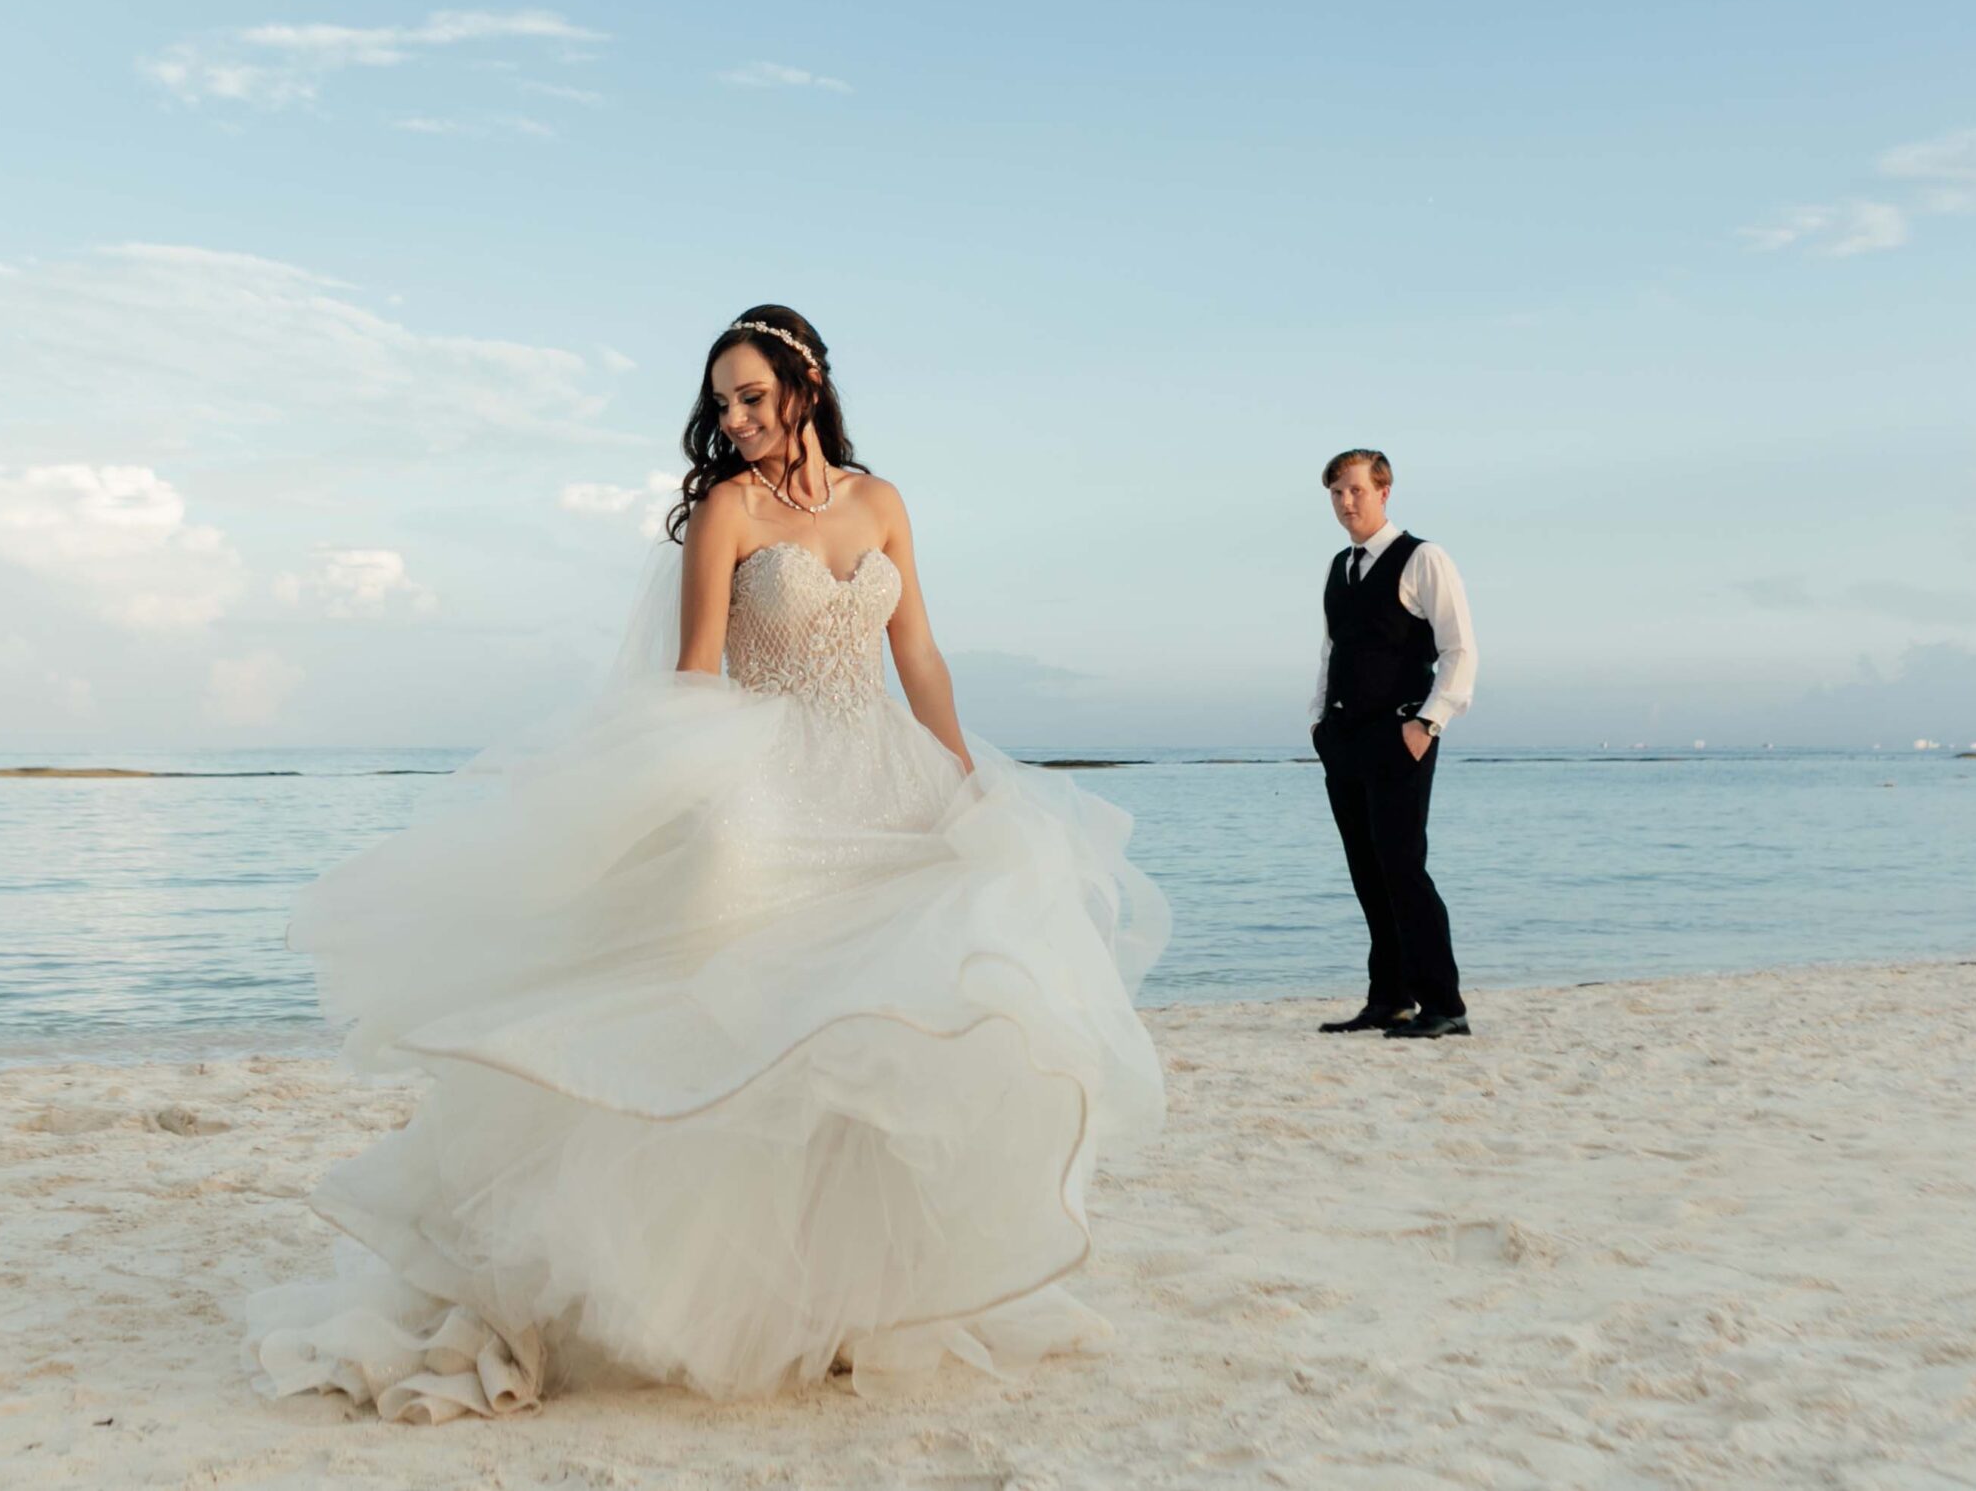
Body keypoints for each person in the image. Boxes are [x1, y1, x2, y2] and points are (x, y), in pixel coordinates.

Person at [242, 306, 1169, 1420]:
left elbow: (914, 651)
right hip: (767, 773)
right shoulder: (724, 511)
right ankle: (713, 1296)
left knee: (882, 1029)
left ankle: (841, 1299)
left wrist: (965, 773)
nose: (730, 420)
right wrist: (687, 800)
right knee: (743, 1028)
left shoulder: (881, 504)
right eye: (718, 403)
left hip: (884, 776)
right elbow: (692, 676)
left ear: (806, 384)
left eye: (750, 397)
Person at [1308, 449, 1477, 1038]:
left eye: (1355, 490)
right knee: (1367, 872)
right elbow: (1332, 651)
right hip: (1343, 738)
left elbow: (1460, 650)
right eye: (1336, 493)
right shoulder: (1339, 566)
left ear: (1383, 491)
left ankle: (1445, 1008)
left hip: (1401, 733)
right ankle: (1390, 999)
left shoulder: (1422, 558)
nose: (1345, 502)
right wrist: (1317, 725)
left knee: (1404, 870)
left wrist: (1427, 724)